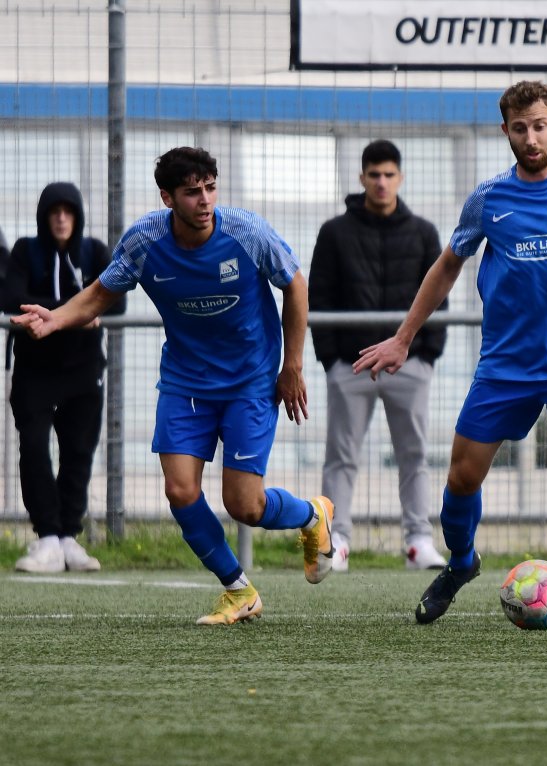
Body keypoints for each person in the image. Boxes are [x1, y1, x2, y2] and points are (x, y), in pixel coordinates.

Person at [355, 80, 547, 627]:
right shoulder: (489, 198)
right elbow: (448, 263)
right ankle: (460, 564)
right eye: (519, 128)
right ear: (506, 131)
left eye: (540, 126)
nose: (531, 138)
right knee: (460, 480)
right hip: (504, 367)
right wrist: (403, 337)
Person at [10, 147, 335, 624]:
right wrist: (55, 318)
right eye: (191, 192)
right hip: (186, 382)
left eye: (210, 188)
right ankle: (238, 589)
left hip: (250, 380)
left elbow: (296, 284)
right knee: (180, 491)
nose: (204, 200)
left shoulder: (246, 231)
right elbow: (101, 293)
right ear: (167, 197)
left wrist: (293, 365)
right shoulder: (144, 241)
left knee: (244, 505)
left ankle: (312, 516)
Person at [309, 139, 447, 573]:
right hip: (350, 365)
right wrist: (330, 360)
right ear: (362, 178)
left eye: (389, 175)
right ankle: (338, 540)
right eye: (374, 175)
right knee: (342, 455)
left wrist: (426, 355)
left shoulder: (423, 232)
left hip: (409, 366)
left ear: (400, 178)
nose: (382, 182)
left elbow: (440, 294)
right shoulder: (335, 232)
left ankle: (419, 541)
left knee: (414, 454)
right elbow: (319, 295)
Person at [2, 183, 125, 573]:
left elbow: (115, 299)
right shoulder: (26, 251)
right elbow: (11, 300)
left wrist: (51, 313)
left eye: (68, 211)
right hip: (35, 373)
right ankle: (48, 538)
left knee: (78, 452)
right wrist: (80, 312)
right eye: (54, 211)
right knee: (35, 449)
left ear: (77, 216)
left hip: (84, 372)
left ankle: (70, 535)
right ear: (44, 216)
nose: (61, 218)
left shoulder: (95, 253)